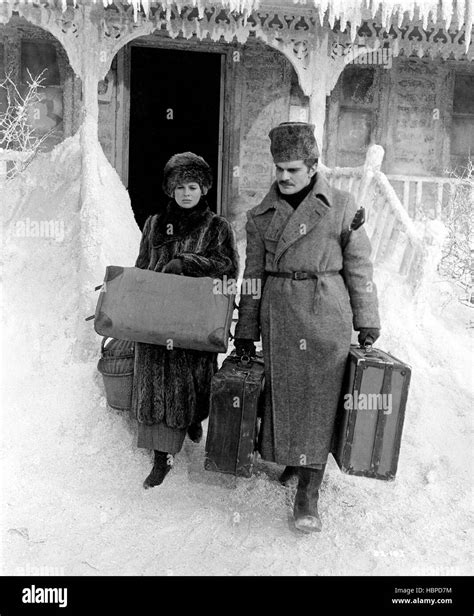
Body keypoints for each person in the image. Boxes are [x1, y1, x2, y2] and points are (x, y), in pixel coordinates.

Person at [234, 122, 380, 533]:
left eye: (292, 169)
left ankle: (308, 492)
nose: (283, 177)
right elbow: (253, 274)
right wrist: (246, 328)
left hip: (324, 315)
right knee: (285, 395)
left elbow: (360, 270)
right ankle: (295, 460)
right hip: (279, 315)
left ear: (313, 167)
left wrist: (367, 319)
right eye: (279, 168)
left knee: (319, 400)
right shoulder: (260, 216)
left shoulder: (342, 207)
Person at [132, 152, 239, 489]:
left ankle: (192, 419)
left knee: (192, 383)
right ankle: (162, 456)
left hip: (193, 320)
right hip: (157, 318)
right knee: (156, 385)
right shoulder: (153, 224)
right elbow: (142, 266)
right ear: (170, 189)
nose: (186, 193)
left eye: (193, 186)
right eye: (180, 187)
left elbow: (227, 267)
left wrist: (187, 263)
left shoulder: (217, 227)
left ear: (203, 188)